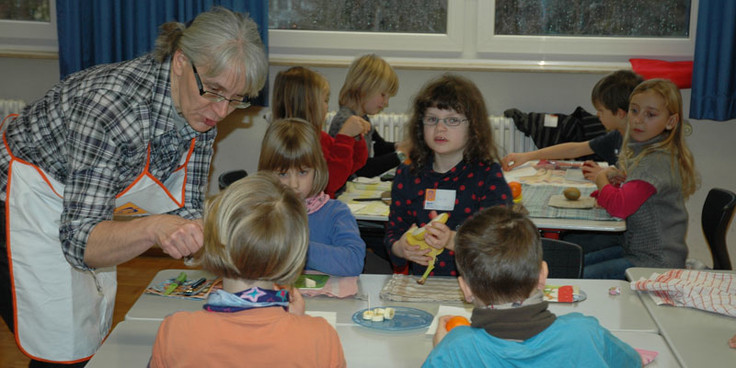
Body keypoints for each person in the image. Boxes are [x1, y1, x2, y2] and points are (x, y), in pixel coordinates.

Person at [0, 7, 267, 366]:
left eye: (236, 99)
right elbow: (82, 243)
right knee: (61, 345)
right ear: (179, 62)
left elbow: (186, 209)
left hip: (76, 207)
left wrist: (221, 245)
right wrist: (154, 228)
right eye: (214, 92)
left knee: (89, 330)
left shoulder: (200, 109)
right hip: (17, 201)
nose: (221, 112)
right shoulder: (110, 108)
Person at [149, 172, 346, 367]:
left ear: (212, 241)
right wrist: (299, 327)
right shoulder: (321, 338)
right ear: (294, 252)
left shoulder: (175, 332)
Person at [424, 206, 641, 367]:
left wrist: (443, 350)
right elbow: (634, 362)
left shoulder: (456, 348)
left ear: (465, 289)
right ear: (543, 275)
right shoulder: (585, 332)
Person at [384, 74, 512, 276]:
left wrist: (453, 240)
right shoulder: (408, 175)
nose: (440, 128)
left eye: (452, 120)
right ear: (421, 125)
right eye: (432, 119)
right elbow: (393, 233)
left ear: (473, 127)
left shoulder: (487, 175)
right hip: (424, 288)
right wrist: (401, 248)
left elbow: (501, 241)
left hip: (477, 288)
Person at [584, 79, 698, 279]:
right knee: (573, 264)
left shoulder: (655, 161)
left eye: (650, 114)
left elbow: (618, 207)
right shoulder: (647, 151)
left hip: (655, 264)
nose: (638, 120)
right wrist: (618, 185)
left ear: (671, 122)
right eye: (634, 111)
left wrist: (601, 178)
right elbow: (621, 201)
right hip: (637, 252)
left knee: (580, 276)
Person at [258, 118, 366, 276]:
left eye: (302, 172)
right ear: (267, 173)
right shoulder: (259, 213)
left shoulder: (336, 213)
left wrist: (297, 248)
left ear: (317, 169)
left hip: (326, 300)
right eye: (283, 174)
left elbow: (354, 262)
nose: (293, 184)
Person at [501, 70, 643, 181]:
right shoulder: (617, 136)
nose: (597, 115)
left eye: (601, 110)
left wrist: (604, 175)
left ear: (620, 113)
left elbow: (636, 184)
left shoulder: (642, 145)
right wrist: (527, 156)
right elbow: (574, 149)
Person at [272, 66, 370, 198]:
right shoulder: (291, 142)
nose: (327, 106)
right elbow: (329, 183)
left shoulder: (321, 137)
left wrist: (355, 137)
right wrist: (345, 137)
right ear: (308, 104)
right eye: (325, 100)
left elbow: (355, 164)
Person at [328, 54, 408, 178]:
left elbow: (380, 147)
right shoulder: (347, 122)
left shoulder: (362, 117)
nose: (386, 103)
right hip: (344, 191)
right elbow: (362, 169)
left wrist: (401, 146)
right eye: (383, 95)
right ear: (364, 87)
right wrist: (401, 155)